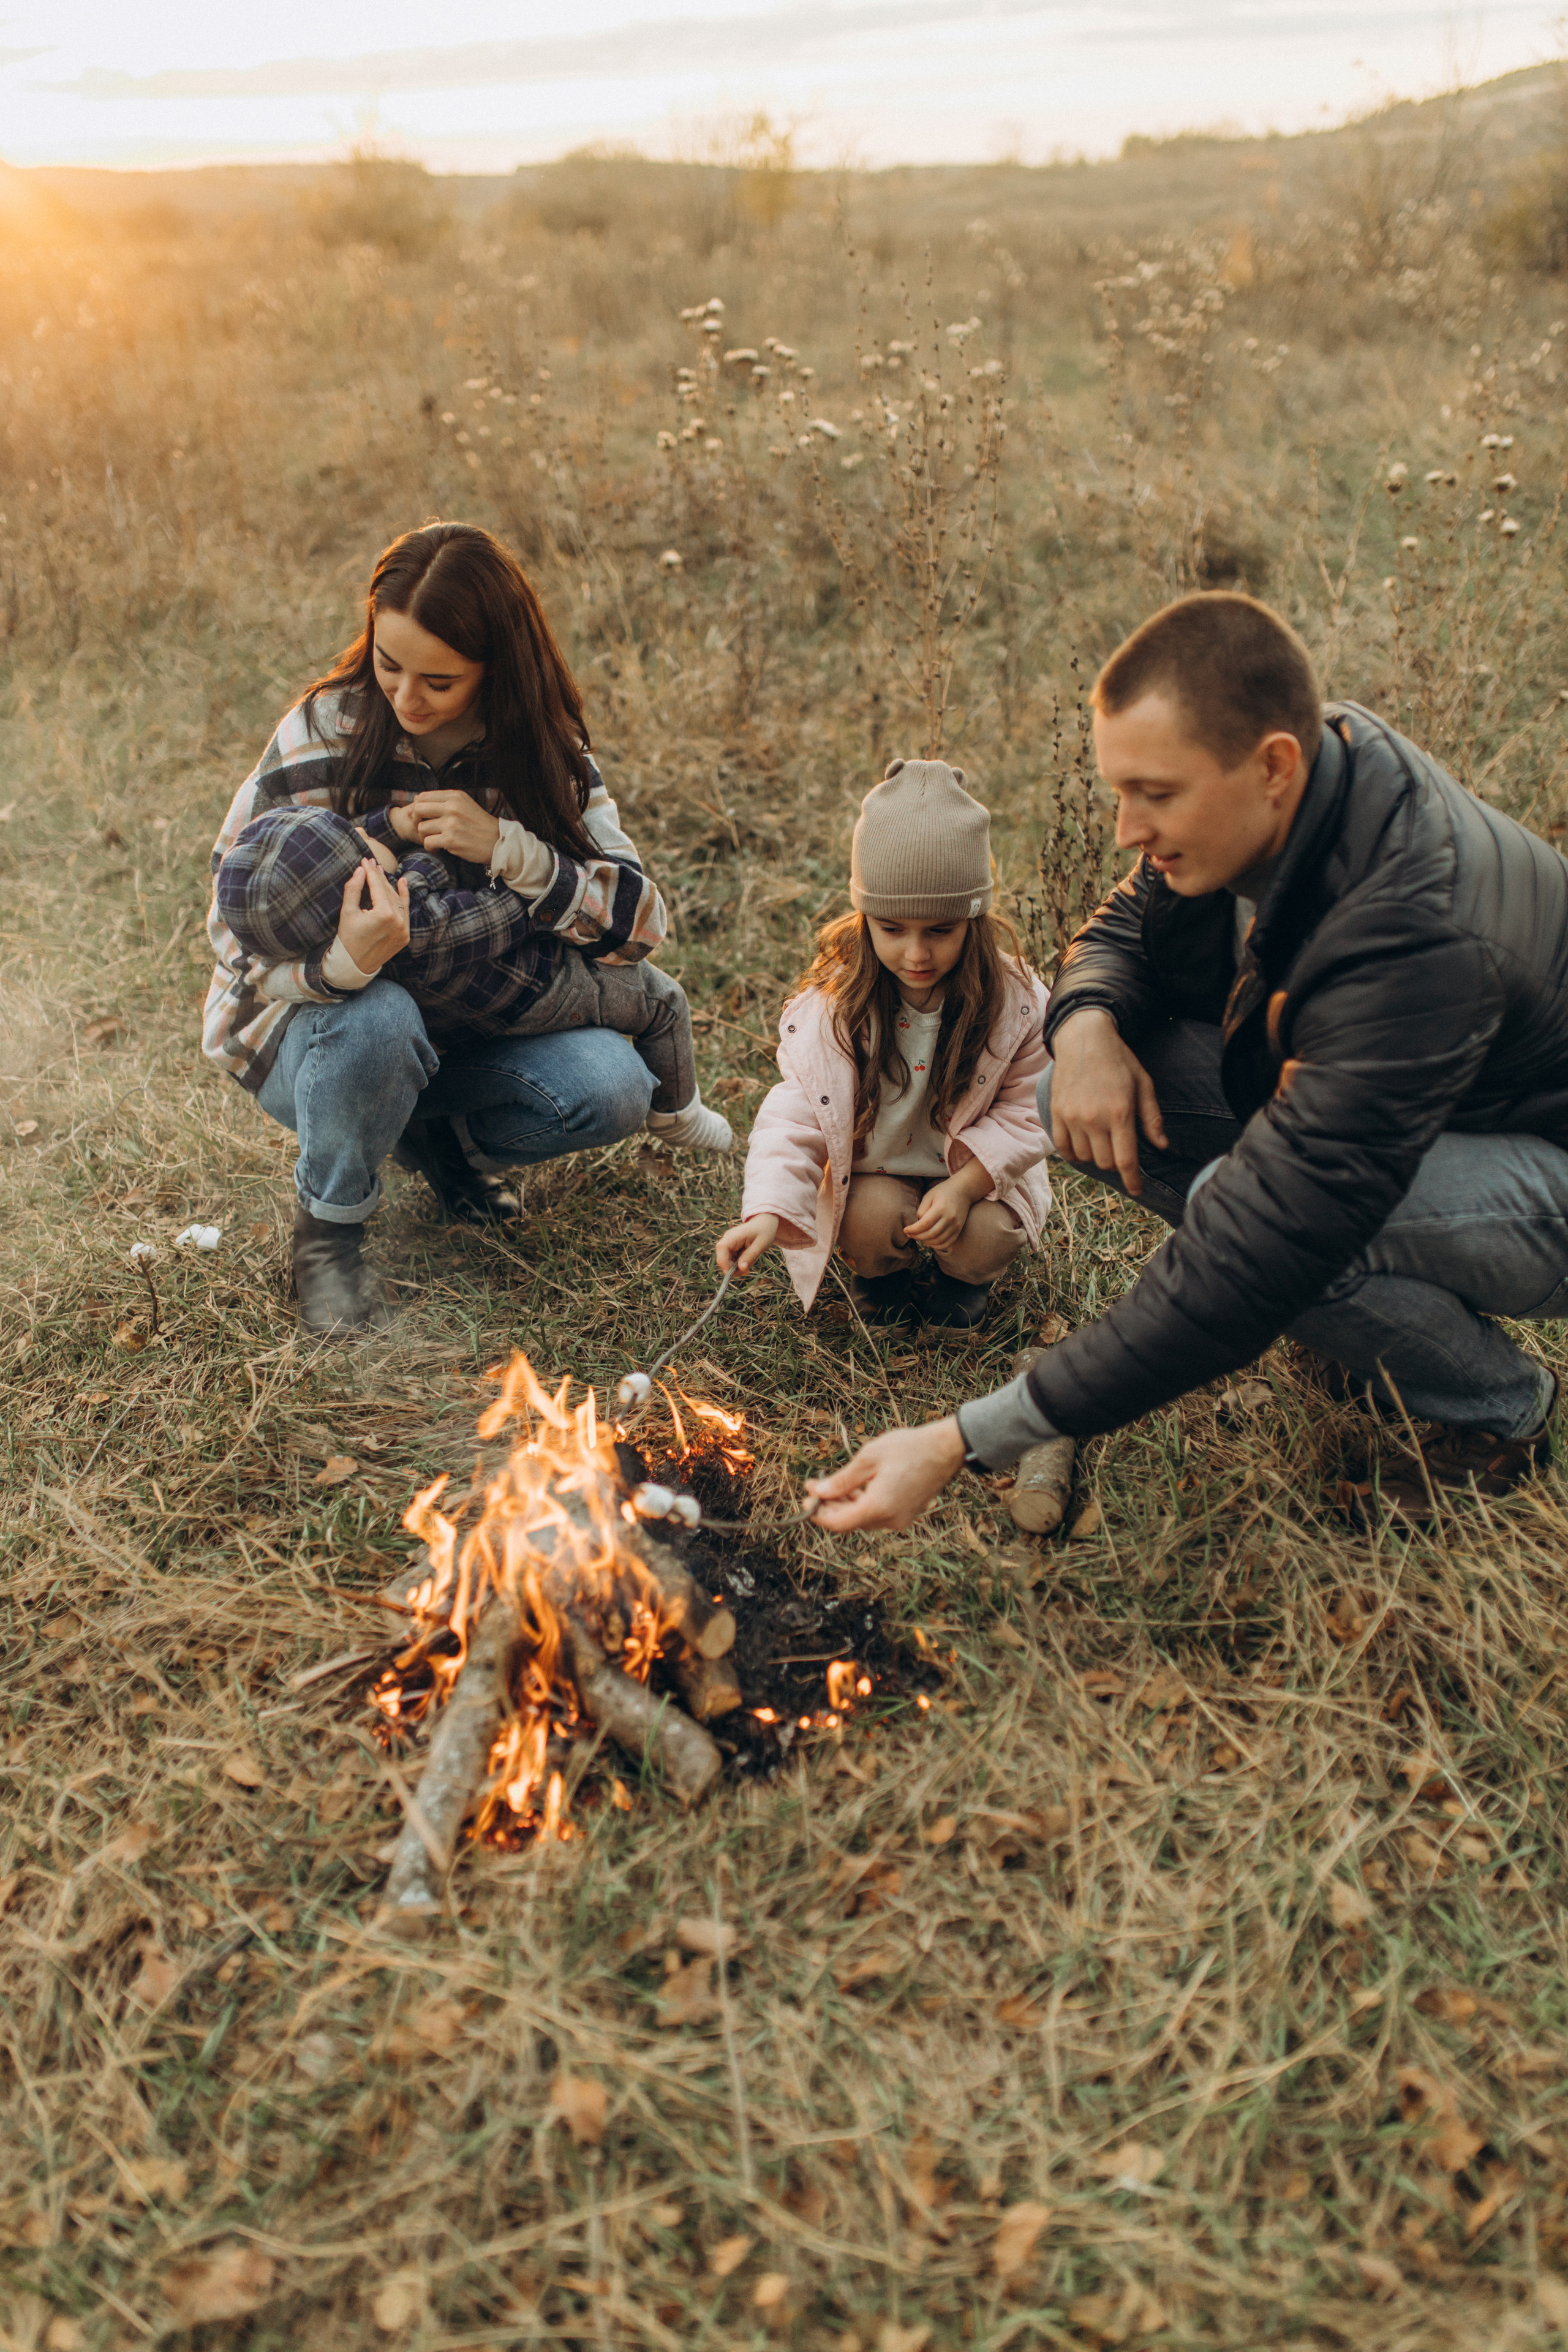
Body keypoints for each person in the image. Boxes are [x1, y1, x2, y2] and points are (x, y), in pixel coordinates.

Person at [801, 590, 1568, 1531]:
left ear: (1272, 765)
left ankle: (1497, 1410)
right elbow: (1128, 926)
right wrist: (1080, 1026)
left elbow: (1261, 1239)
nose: (1126, 829)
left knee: (1256, 1225)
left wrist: (967, 1436)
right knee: (1070, 1095)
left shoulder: (1414, 933)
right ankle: (1370, 1328)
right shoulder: (1308, 778)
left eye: (1154, 795)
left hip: (1546, 1169)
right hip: (1444, 1107)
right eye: (1120, 791)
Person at [203, 520, 718, 1336]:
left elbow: (643, 926)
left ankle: (436, 1140)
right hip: (313, 1039)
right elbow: (231, 934)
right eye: (388, 664)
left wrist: (513, 852)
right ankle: (327, 1241)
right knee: (378, 1017)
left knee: (615, 1088)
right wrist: (340, 964)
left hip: (478, 1025)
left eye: (439, 682)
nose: (406, 699)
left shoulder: (541, 753)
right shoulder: (322, 731)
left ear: (497, 670)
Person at [715, 756, 1057, 1339]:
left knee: (984, 1237)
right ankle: (884, 1279)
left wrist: (966, 1186)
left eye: (940, 931)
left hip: (980, 1178)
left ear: (973, 919)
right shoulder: (838, 1003)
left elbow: (1033, 1108)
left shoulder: (1015, 1003)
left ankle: (962, 1283)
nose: (916, 955)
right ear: (865, 917)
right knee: (867, 1224)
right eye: (893, 929)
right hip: (878, 1172)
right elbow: (796, 1114)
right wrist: (770, 1211)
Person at [214, 804, 730, 1170]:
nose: (376, 835)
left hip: (484, 1004)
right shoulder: (418, 926)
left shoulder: (360, 925)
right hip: (544, 990)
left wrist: (394, 823)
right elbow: (510, 915)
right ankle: (678, 1113)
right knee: (663, 1001)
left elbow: (369, 841)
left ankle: (437, 1141)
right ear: (365, 885)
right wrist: (511, 860)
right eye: (367, 845)